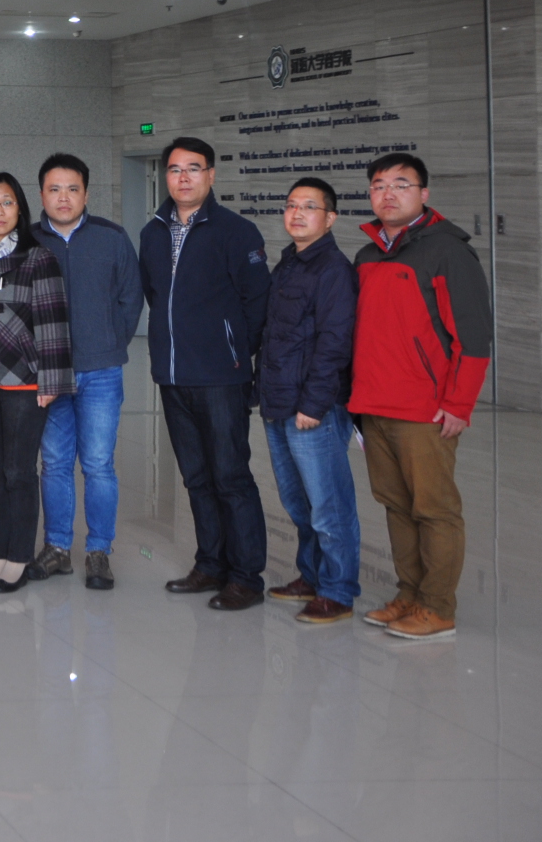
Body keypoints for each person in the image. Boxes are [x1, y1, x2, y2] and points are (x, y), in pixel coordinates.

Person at [350, 152, 492, 641]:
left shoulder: (448, 251)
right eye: (378, 185)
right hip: (374, 406)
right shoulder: (368, 256)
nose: (387, 194)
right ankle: (409, 595)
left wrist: (459, 404)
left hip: (424, 410)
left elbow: (473, 337)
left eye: (400, 184)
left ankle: (437, 607)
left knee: (434, 509)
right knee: (396, 506)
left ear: (424, 194)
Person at [140, 136, 271, 612]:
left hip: (221, 376)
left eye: (193, 168)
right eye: (175, 169)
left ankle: (246, 576)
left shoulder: (237, 232)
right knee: (195, 477)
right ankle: (211, 563)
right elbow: (157, 297)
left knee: (230, 476)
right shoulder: (153, 232)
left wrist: (234, 351)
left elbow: (258, 302)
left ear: (211, 175)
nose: (184, 178)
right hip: (173, 376)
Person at [31, 153, 143, 591]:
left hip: (100, 371)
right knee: (55, 463)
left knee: (98, 464)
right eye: (55, 189)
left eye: (72, 189)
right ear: (42, 194)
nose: (64, 198)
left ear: (87, 194)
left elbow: (131, 297)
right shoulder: (29, 240)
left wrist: (110, 342)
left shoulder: (111, 238)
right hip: (49, 372)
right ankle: (57, 547)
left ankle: (98, 550)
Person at [0, 171, 73, 593]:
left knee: (18, 471)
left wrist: (51, 380)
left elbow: (53, 321)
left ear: (20, 209)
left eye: (7, 202)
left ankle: (19, 558)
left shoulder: (39, 258)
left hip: (25, 381)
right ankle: (0, 555)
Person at [260, 177, 362, 625]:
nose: (297, 213)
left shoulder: (333, 270)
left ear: (330, 218)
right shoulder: (289, 262)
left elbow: (335, 343)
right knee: (298, 501)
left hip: (312, 408)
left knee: (329, 504)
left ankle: (338, 590)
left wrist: (314, 405)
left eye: (309, 206)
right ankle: (312, 575)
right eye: (291, 205)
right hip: (279, 402)